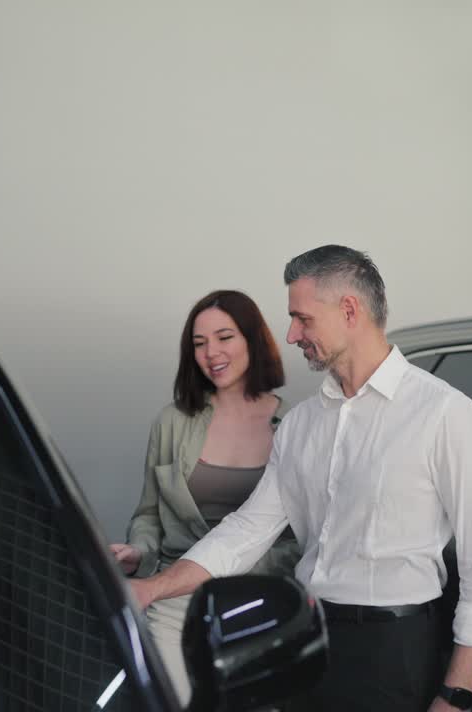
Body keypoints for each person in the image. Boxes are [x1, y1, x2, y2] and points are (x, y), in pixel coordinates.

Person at [128, 245, 472, 712]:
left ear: (349, 309)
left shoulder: (445, 415)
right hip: (305, 643)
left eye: (302, 318)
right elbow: (246, 531)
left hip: (393, 655)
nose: (291, 334)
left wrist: (455, 697)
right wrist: (153, 587)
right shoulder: (301, 424)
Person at [109, 289, 300, 705]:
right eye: (199, 343)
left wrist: (234, 569)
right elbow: (148, 516)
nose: (211, 352)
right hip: (176, 601)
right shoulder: (173, 422)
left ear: (252, 339)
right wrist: (139, 553)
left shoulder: (296, 426)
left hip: (258, 605)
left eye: (224, 337)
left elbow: (301, 539)